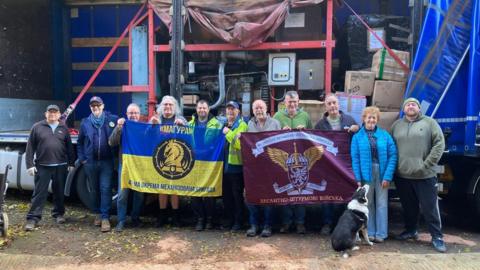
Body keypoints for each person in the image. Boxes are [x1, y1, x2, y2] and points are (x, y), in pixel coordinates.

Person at [391, 97, 447, 253]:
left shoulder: (430, 123)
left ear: (419, 108)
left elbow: (439, 144)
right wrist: (395, 167)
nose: (410, 106)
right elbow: (390, 147)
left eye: (413, 104)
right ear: (404, 109)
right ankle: (411, 230)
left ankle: (437, 237)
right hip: (403, 176)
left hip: (425, 176)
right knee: (409, 207)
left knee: (430, 208)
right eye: (408, 104)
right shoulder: (396, 125)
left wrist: (426, 164)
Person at [24, 105, 75, 231]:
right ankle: (33, 218)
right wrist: (30, 165)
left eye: (55, 112)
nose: (52, 114)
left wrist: (71, 163)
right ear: (45, 114)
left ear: (59, 115)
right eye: (50, 112)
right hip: (42, 166)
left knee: (59, 192)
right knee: (39, 193)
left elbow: (69, 147)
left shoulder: (63, 128)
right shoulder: (37, 127)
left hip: (60, 165)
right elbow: (30, 148)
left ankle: (58, 214)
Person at [351, 106, 397, 243]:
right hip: (366, 173)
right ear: (364, 119)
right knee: (368, 203)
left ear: (377, 120)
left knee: (382, 203)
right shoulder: (357, 137)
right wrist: (358, 178)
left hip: (382, 172)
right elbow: (355, 158)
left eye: (374, 117)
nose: (371, 120)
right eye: (369, 117)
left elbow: (393, 155)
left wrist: (388, 176)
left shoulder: (385, 135)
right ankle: (369, 232)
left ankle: (381, 233)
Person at [315, 94, 359, 235]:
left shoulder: (349, 120)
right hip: (328, 165)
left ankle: (342, 224)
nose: (332, 106)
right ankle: (327, 223)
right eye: (329, 104)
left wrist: (356, 128)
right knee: (327, 195)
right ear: (325, 107)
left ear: (338, 104)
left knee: (345, 194)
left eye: (334, 103)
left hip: (345, 164)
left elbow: (358, 137)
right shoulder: (320, 124)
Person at [77, 96, 119, 232]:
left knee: (105, 189)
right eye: (93, 106)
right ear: (90, 107)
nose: (95, 108)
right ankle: (98, 214)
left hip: (106, 162)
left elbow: (123, 129)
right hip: (90, 162)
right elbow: (80, 143)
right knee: (94, 190)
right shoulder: (85, 123)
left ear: (103, 106)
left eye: (98, 105)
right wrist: (83, 159)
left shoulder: (112, 119)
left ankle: (105, 217)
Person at [273, 90, 312, 234]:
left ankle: (300, 223)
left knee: (301, 192)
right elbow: (271, 137)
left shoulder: (305, 116)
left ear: (298, 102)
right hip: (285, 162)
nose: (292, 104)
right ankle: (286, 223)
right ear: (284, 103)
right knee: (286, 192)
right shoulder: (277, 116)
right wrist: (280, 132)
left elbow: (313, 137)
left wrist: (305, 130)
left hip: (301, 162)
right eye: (290, 102)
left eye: (295, 101)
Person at [245, 99, 281, 237]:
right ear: (253, 111)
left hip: (271, 166)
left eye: (261, 107)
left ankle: (267, 226)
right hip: (254, 167)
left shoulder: (275, 123)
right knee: (252, 196)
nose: (259, 110)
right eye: (256, 108)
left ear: (266, 109)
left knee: (269, 196)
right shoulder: (250, 124)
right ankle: (254, 225)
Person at [150, 95, 187, 227]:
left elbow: (190, 136)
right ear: (161, 107)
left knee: (174, 188)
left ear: (175, 107)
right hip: (159, 159)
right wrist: (152, 127)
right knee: (162, 188)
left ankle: (176, 217)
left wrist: (183, 127)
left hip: (177, 159)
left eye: (170, 105)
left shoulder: (180, 119)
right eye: (165, 104)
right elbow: (145, 137)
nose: (167, 107)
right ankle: (162, 216)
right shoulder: (156, 119)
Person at [108, 103, 144, 232]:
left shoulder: (143, 127)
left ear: (139, 115)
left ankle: (135, 218)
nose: (133, 115)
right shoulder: (123, 127)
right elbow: (111, 142)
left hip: (139, 166)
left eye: (136, 113)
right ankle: (121, 221)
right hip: (125, 165)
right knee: (123, 194)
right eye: (131, 113)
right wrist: (118, 127)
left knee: (139, 195)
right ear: (127, 114)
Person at [188, 100, 223, 231]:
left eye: (204, 108)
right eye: (200, 108)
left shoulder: (217, 125)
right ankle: (199, 219)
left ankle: (209, 220)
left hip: (210, 162)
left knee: (209, 194)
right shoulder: (189, 124)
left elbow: (218, 141)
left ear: (208, 110)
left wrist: (207, 151)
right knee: (194, 193)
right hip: (194, 162)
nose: (202, 110)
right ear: (196, 110)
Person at [222, 100, 248, 232]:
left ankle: (239, 222)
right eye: (229, 109)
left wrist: (228, 133)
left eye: (233, 109)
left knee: (237, 196)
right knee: (227, 196)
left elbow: (239, 145)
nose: (231, 111)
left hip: (236, 167)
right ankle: (229, 220)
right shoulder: (224, 123)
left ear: (238, 111)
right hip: (224, 167)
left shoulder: (242, 125)